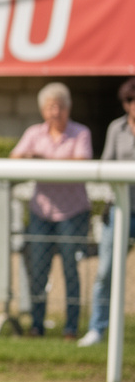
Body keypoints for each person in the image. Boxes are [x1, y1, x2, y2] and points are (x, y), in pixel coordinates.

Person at [10, 82, 91, 340]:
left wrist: (41, 161)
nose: (55, 111)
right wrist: (28, 159)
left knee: (70, 269)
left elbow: (81, 163)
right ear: (43, 110)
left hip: (73, 212)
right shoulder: (35, 132)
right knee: (38, 269)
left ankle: (71, 327)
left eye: (60, 106)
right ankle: (36, 325)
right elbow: (14, 159)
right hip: (41, 212)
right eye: (50, 106)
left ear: (68, 109)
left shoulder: (81, 133)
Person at [79, 77, 135, 347]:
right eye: (129, 100)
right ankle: (97, 328)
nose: (134, 105)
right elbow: (106, 166)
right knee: (105, 272)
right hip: (121, 210)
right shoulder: (117, 128)